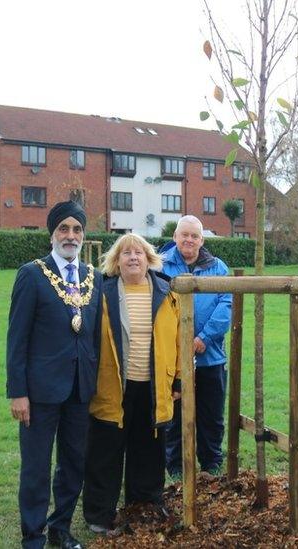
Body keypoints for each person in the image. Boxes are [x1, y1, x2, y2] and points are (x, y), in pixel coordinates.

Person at [6, 200, 102, 549]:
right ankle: (33, 535)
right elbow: (17, 339)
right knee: (36, 467)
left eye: (77, 229)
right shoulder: (31, 274)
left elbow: (95, 337)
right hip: (40, 392)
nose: (70, 235)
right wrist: (18, 392)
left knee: (73, 463)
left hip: (80, 390)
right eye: (64, 228)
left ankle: (60, 527)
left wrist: (96, 385)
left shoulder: (95, 278)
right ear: (52, 234)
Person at [82, 233, 181, 534]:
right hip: (112, 385)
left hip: (152, 385)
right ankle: (100, 514)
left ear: (149, 258)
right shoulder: (102, 291)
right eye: (126, 254)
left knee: (149, 449)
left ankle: (145, 505)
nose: (133, 258)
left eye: (139, 252)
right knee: (106, 451)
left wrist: (178, 380)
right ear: (116, 261)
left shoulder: (167, 292)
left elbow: (178, 340)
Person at [160, 216, 232, 477]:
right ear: (175, 237)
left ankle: (211, 464)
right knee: (174, 415)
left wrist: (203, 338)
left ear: (202, 240)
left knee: (211, 415)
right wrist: (178, 344)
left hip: (209, 357)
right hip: (171, 359)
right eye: (184, 235)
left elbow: (226, 305)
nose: (189, 240)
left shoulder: (218, 268)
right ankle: (175, 466)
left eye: (194, 236)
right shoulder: (160, 266)